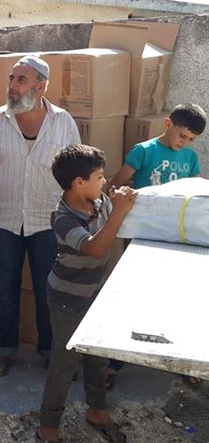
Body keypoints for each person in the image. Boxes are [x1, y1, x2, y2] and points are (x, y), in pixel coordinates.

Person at [0, 55, 81, 377]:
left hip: (48, 222)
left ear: (41, 86)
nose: (12, 86)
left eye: (20, 80)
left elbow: (76, 171)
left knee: (47, 289)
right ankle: (4, 348)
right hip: (4, 220)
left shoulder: (63, 122)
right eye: (11, 78)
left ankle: (50, 351)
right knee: (4, 287)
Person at [36, 144, 136, 443]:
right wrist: (118, 212)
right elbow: (95, 249)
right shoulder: (62, 217)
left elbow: (115, 213)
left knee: (97, 356)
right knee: (64, 365)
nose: (105, 182)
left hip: (95, 292)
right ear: (79, 182)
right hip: (67, 298)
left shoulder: (99, 201)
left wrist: (119, 203)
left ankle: (97, 410)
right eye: (100, 176)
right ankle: (48, 427)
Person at [104, 102, 207, 389]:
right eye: (182, 136)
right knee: (129, 296)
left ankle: (186, 361)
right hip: (140, 237)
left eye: (191, 140)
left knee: (178, 300)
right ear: (167, 124)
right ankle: (114, 362)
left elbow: (191, 195)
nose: (184, 143)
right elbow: (117, 186)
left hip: (177, 240)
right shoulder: (143, 151)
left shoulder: (190, 158)